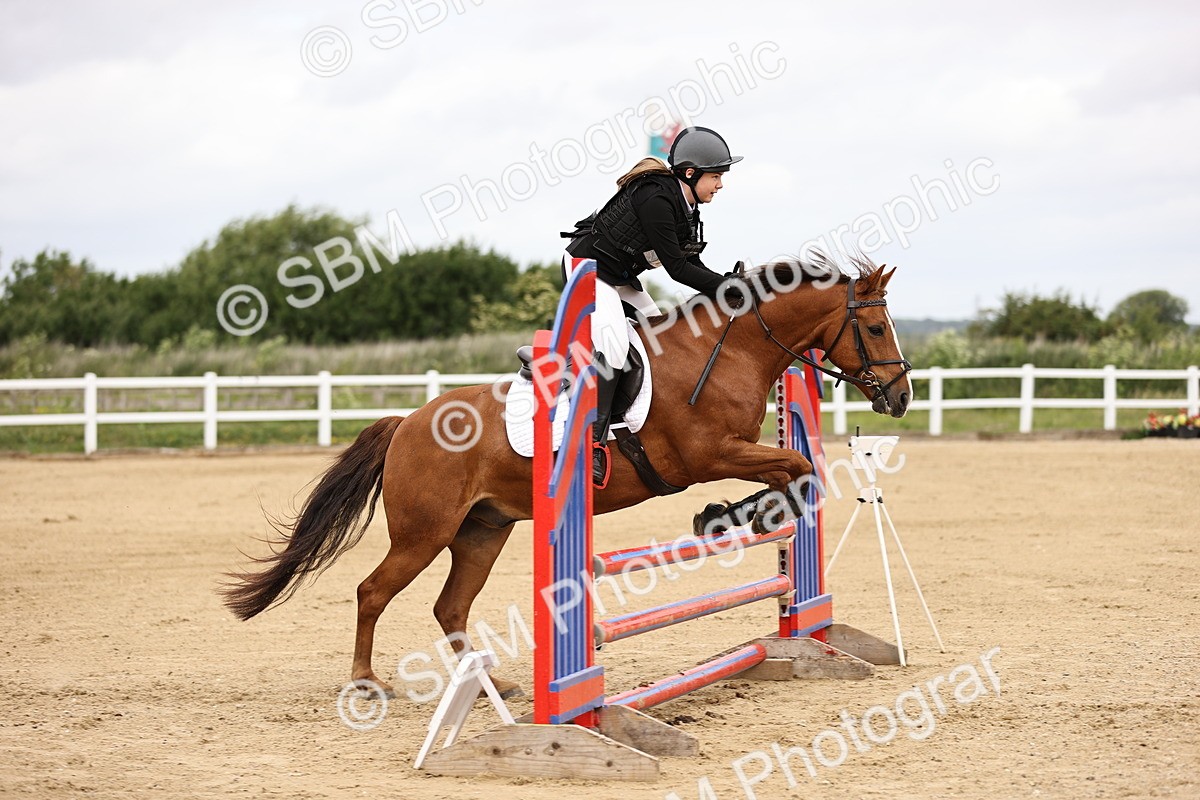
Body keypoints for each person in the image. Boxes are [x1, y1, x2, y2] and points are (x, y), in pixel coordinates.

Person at [560, 125, 743, 488]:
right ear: (690, 174)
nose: (720, 185)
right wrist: (726, 287)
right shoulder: (657, 199)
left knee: (662, 336)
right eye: (716, 176)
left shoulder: (687, 206)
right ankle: (591, 442)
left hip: (619, 276)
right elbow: (677, 270)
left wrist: (725, 284)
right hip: (588, 270)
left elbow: (691, 262)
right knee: (615, 346)